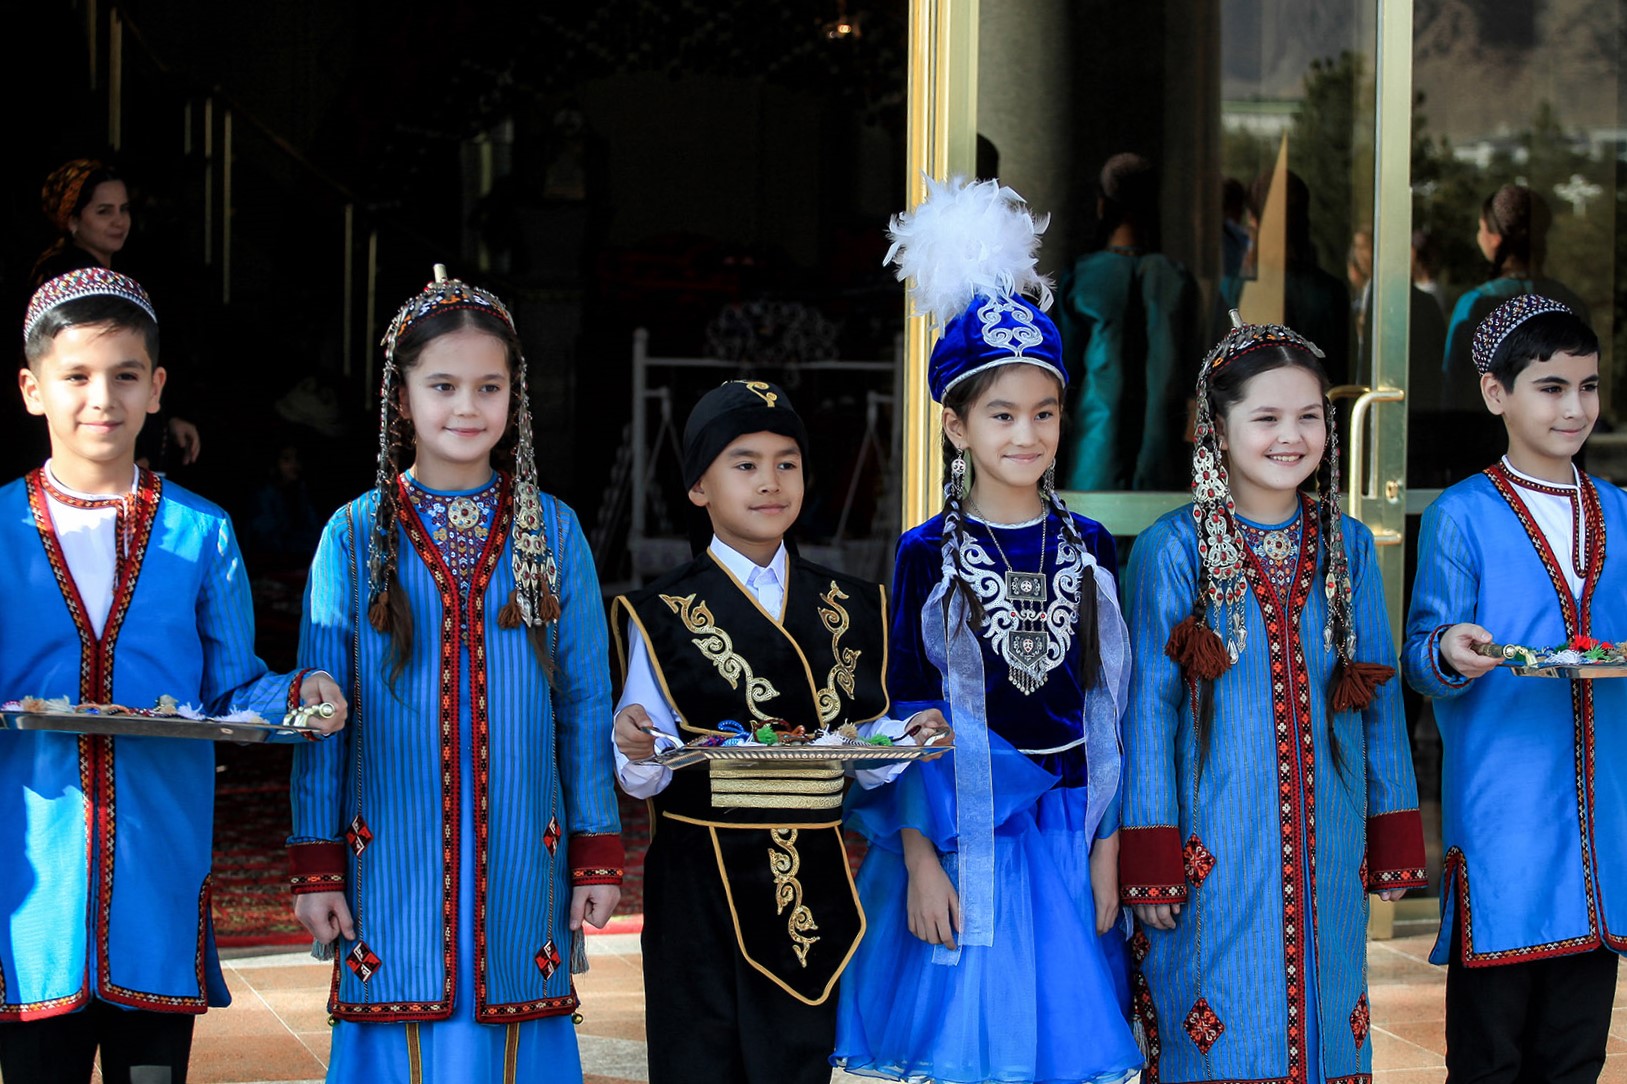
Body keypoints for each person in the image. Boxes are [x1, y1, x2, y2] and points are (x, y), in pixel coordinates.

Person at [0, 267, 347, 1084]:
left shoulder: (201, 531)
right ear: (30, 389)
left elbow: (231, 689)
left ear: (156, 388)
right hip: (26, 894)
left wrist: (299, 693)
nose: (101, 398)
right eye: (76, 376)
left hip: (157, 878)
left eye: (125, 375)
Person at [832, 175, 1142, 1084]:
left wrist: (1108, 848)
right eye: (1001, 415)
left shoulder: (1087, 546)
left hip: (1062, 839)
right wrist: (920, 860)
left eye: (1043, 414)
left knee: (1054, 1046)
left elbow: (1103, 703)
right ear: (956, 425)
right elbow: (906, 702)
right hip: (959, 834)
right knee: (967, 1042)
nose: (1026, 434)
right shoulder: (925, 552)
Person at [288, 266, 622, 1083]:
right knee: (400, 986)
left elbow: (583, 699)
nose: (467, 408)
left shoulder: (552, 528)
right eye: (442, 386)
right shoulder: (354, 533)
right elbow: (318, 711)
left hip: (524, 845)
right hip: (388, 846)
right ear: (400, 399)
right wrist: (316, 862)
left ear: (516, 398)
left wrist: (596, 854)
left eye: (488, 387)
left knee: (513, 990)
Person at [610, 378, 946, 1084]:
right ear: (699, 486)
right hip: (698, 873)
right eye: (744, 463)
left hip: (813, 872)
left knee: (796, 1051)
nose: (770, 482)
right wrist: (634, 745)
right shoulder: (662, 611)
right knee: (698, 1055)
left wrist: (906, 735)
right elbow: (645, 765)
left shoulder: (849, 603)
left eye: (785, 463)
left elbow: (860, 745)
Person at [1120, 315, 1427, 1083]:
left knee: (1329, 1019)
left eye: (1308, 416)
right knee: (1215, 1028)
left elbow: (1378, 696)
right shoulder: (1173, 548)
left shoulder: (1347, 545)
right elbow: (1149, 710)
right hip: (1208, 849)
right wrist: (1151, 853)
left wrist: (1390, 831)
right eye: (1265, 418)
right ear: (1214, 430)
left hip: (1331, 843)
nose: (1291, 435)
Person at [1402, 295, 1624, 1084]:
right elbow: (1421, 654)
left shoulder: (1620, 514)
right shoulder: (1462, 514)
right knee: (1490, 1053)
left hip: (1603, 830)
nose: (1575, 407)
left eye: (1588, 387)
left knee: (1575, 1051)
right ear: (1496, 393)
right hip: (1504, 818)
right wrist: (1449, 652)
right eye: (1551, 387)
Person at [29, 158, 202, 469]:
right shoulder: (63, 279)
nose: (119, 221)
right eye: (104, 211)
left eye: (124, 209)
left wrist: (168, 416)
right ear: (72, 220)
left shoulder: (117, 272)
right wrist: (131, 453)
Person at [1058, 152, 1202, 492]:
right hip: (1163, 453)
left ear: (1101, 205)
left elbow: (1064, 371)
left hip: (1094, 450)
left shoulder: (1082, 277)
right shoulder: (1177, 280)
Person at [1216, 169, 1350, 387]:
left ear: (1253, 220)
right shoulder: (1332, 292)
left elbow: (1217, 375)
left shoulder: (1234, 289)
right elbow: (1339, 377)